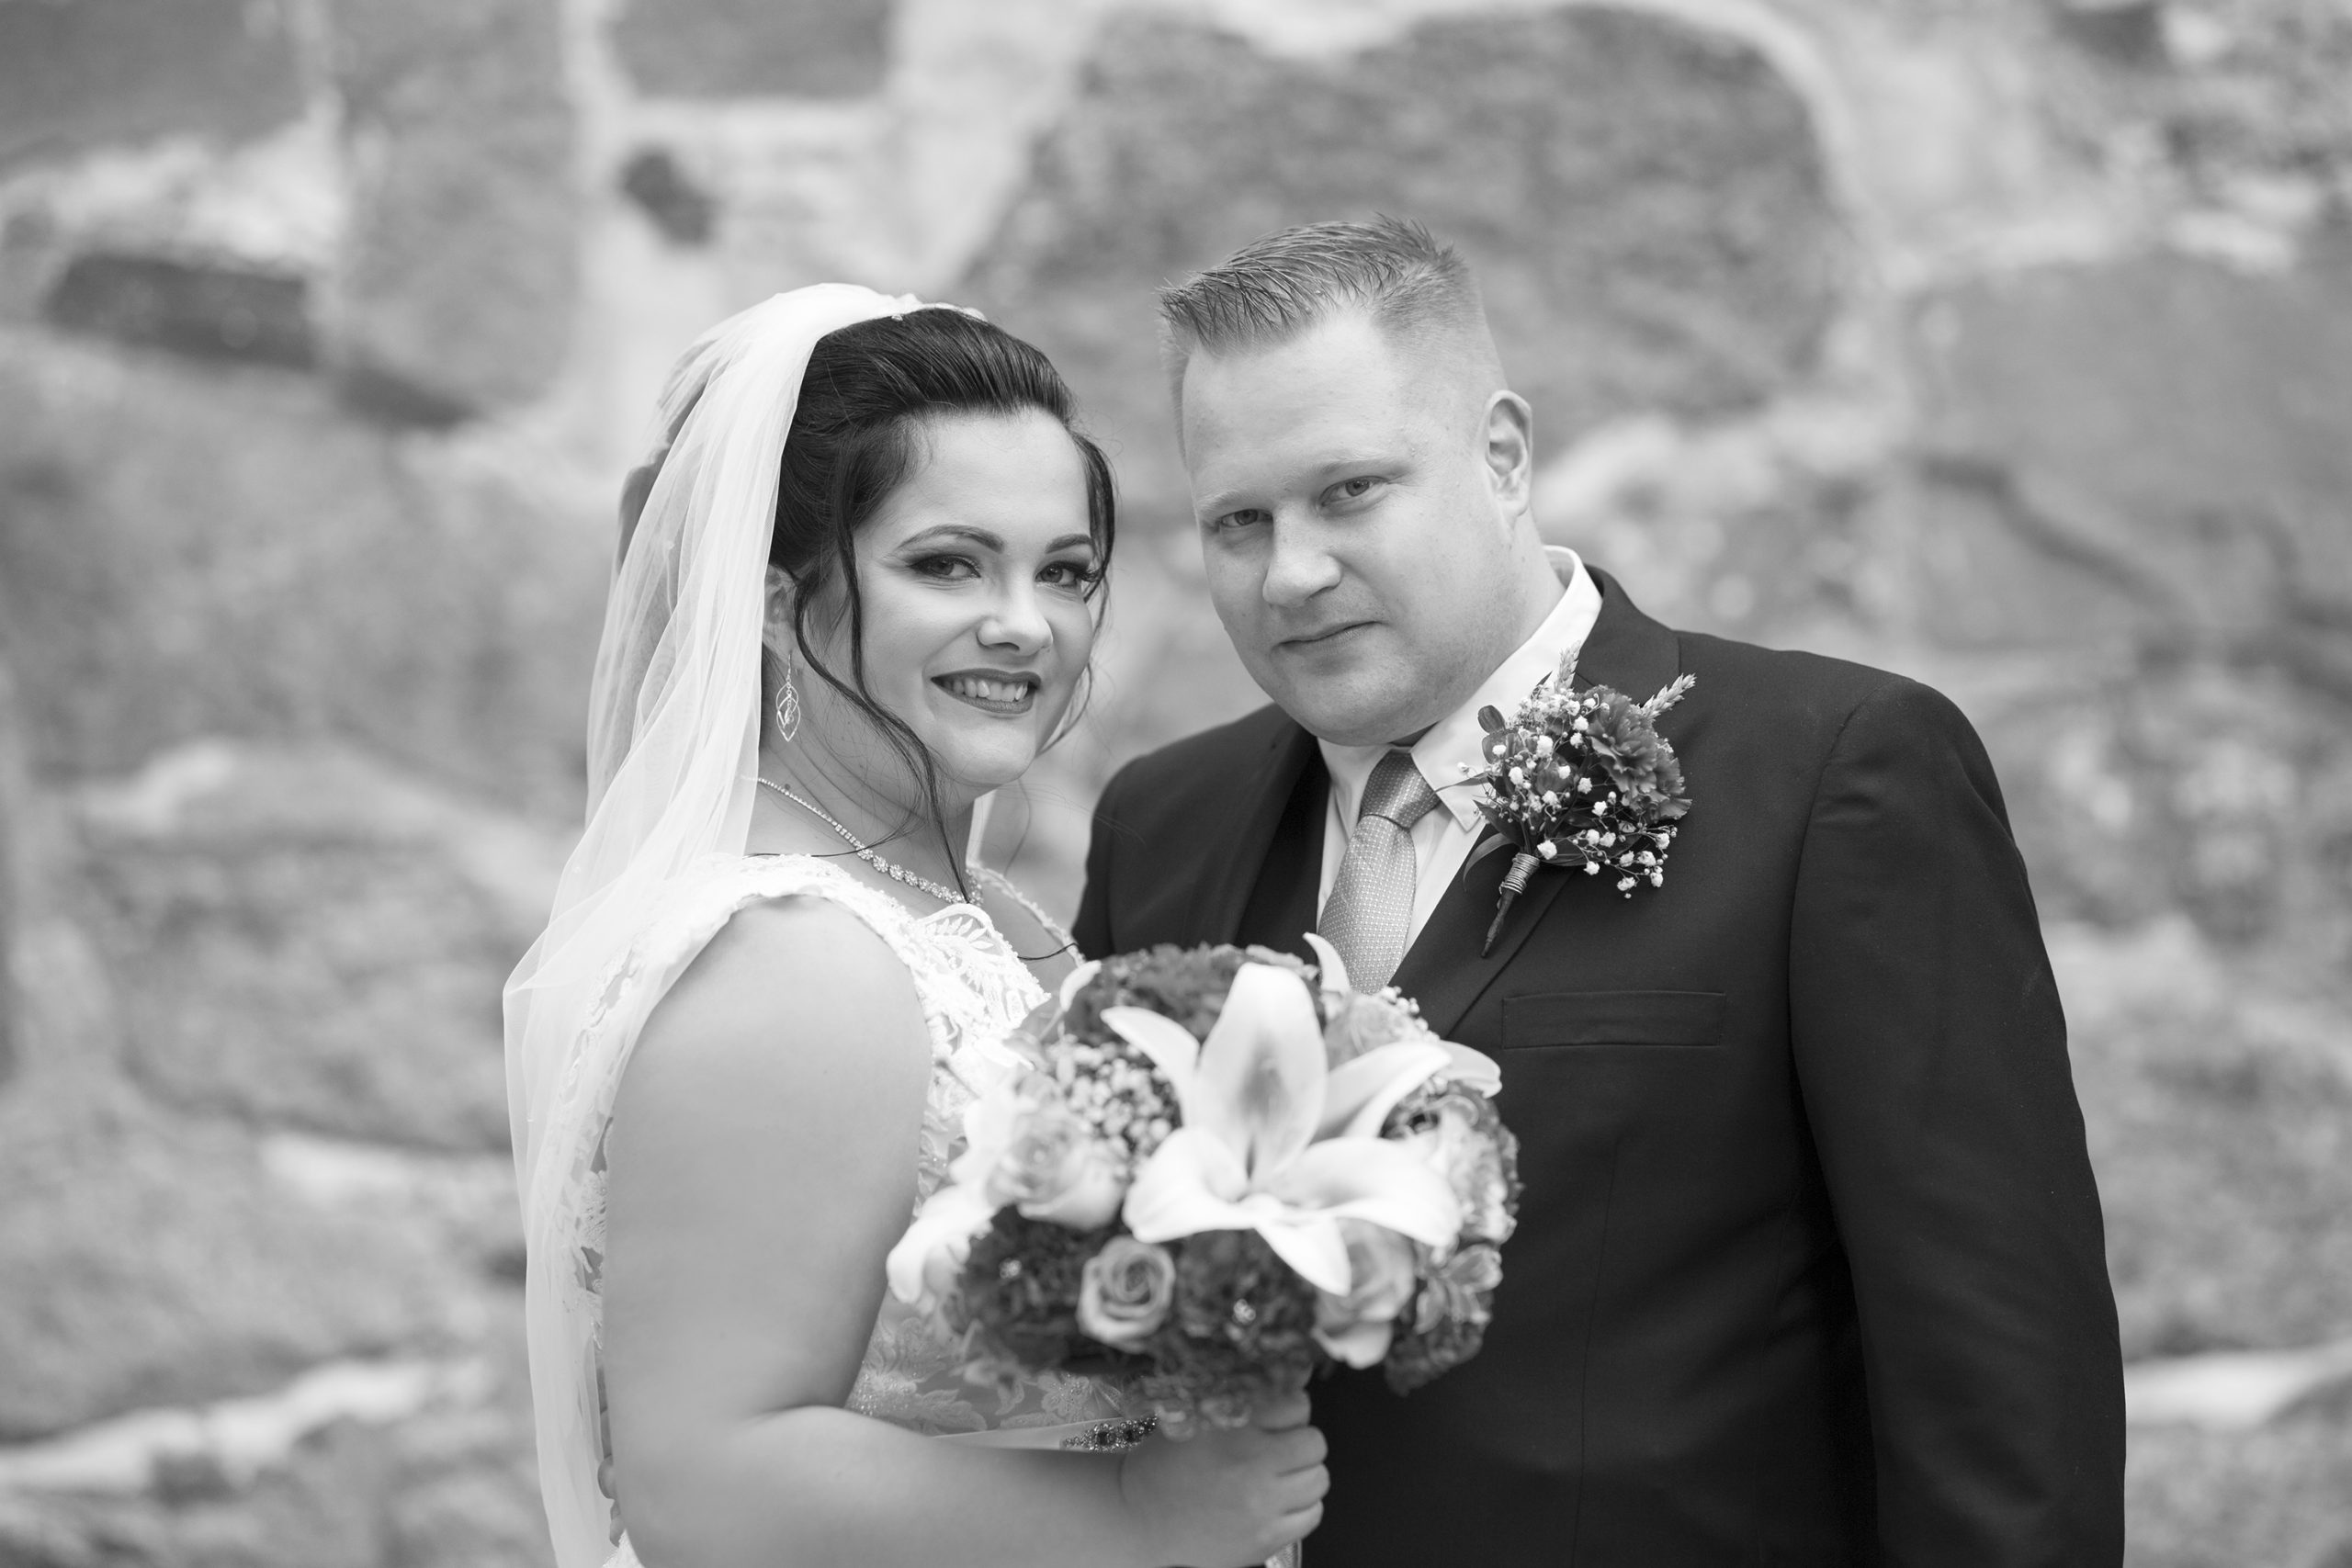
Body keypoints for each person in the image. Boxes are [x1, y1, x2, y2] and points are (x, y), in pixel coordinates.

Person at [1074, 220, 2126, 1564]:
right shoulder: (1163, 825)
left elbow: (2001, 1380)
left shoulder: (1835, 777)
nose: (1292, 571)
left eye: (1349, 491)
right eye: (1239, 520)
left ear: (1504, 456)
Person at [504, 285, 1326, 1568]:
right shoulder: (791, 958)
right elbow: (701, 1479)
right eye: (948, 564)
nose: (1025, 623)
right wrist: (1139, 1515)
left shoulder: (970, 908)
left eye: (1064, 572)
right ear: (773, 602)